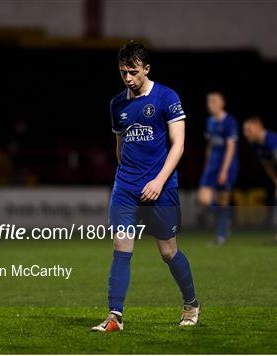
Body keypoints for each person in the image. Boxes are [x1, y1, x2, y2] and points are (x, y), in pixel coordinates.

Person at [92, 41, 200, 332]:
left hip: (160, 188)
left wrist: (158, 180)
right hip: (125, 188)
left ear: (147, 69)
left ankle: (191, 303)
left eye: (133, 72)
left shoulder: (167, 97)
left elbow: (178, 145)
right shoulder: (118, 104)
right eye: (123, 72)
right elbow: (119, 146)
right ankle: (115, 316)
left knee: (168, 252)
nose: (128, 78)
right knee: (121, 248)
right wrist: (126, 176)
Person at [198, 92, 239, 245]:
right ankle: (225, 218)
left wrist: (224, 170)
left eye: (214, 101)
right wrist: (207, 165)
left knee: (223, 200)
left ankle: (221, 236)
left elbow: (231, 147)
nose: (210, 104)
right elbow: (210, 145)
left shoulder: (230, 121)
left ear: (222, 103)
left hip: (226, 166)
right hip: (212, 166)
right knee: (203, 199)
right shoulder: (210, 121)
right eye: (209, 102)